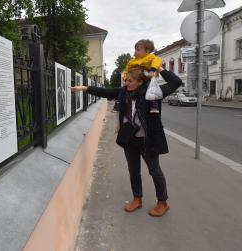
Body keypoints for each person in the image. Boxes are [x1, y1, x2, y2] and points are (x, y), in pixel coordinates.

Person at [70, 66, 182, 217]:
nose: (126, 83)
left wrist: (160, 68)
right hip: (129, 138)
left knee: (154, 171)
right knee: (133, 170)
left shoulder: (153, 92)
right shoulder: (123, 92)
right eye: (125, 80)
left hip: (148, 139)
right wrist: (85, 88)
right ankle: (137, 198)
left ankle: (163, 202)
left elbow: (176, 82)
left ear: (140, 82)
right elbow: (106, 92)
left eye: (130, 81)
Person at [114, 39, 163, 115]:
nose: (135, 51)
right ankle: (118, 102)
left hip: (145, 78)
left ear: (147, 51)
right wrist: (126, 78)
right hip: (134, 78)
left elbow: (158, 61)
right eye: (135, 49)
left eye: (138, 50)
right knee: (124, 89)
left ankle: (154, 105)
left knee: (151, 89)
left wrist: (152, 70)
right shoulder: (132, 61)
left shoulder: (151, 57)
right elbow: (127, 69)